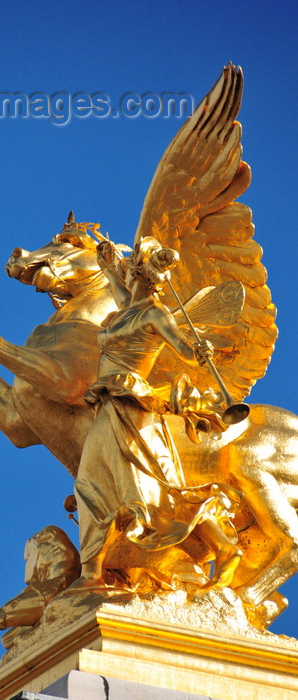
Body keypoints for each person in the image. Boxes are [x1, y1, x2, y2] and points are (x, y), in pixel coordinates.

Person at [73, 237, 242, 590]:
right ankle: (91, 572)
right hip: (108, 401)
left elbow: (182, 347)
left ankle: (224, 547)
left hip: (132, 404)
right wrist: (105, 263)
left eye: (129, 268)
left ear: (138, 274)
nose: (125, 273)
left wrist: (199, 351)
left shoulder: (155, 313)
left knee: (145, 489)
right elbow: (121, 294)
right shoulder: (126, 308)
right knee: (89, 479)